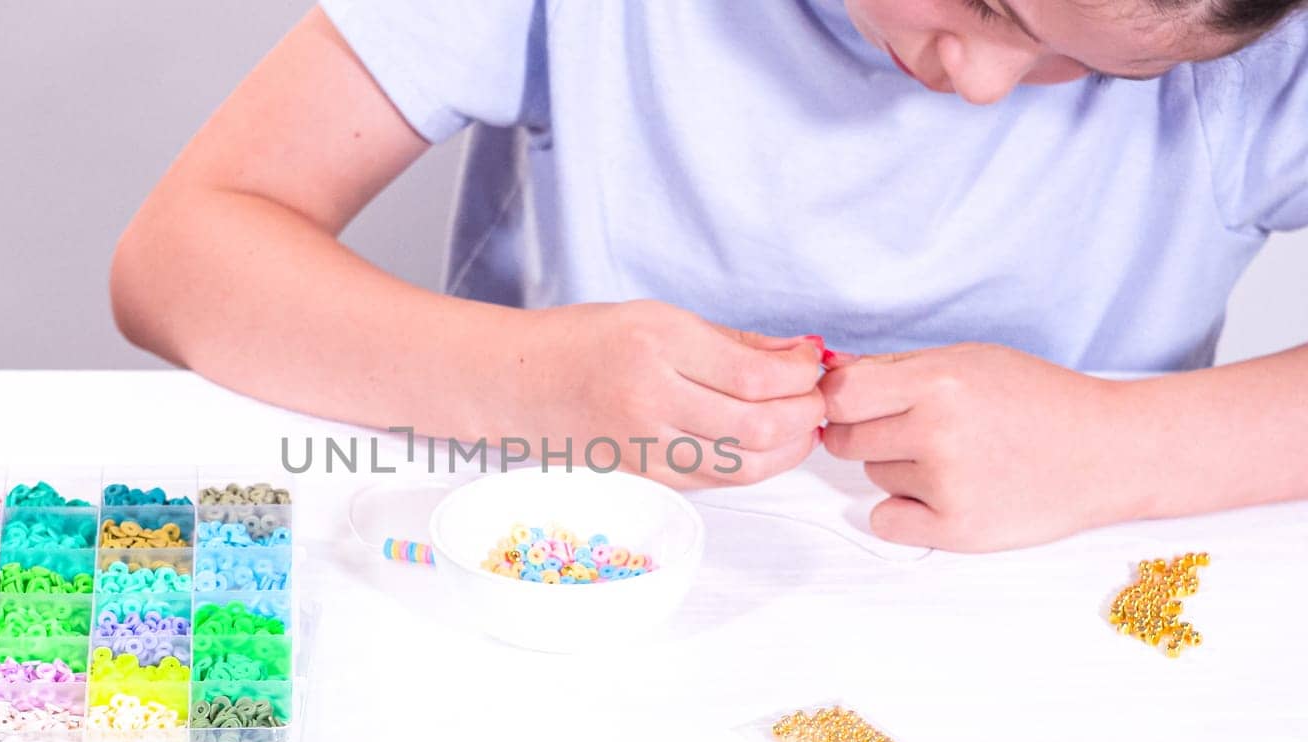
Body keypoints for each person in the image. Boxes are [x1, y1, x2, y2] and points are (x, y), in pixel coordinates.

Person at [109, 0, 1308, 551]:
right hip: (552, 588)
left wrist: (1124, 448)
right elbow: (180, 256)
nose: (980, 78)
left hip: (1060, 642)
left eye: (1092, 66)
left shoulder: (1267, 56)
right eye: (983, 0)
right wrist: (524, 383)